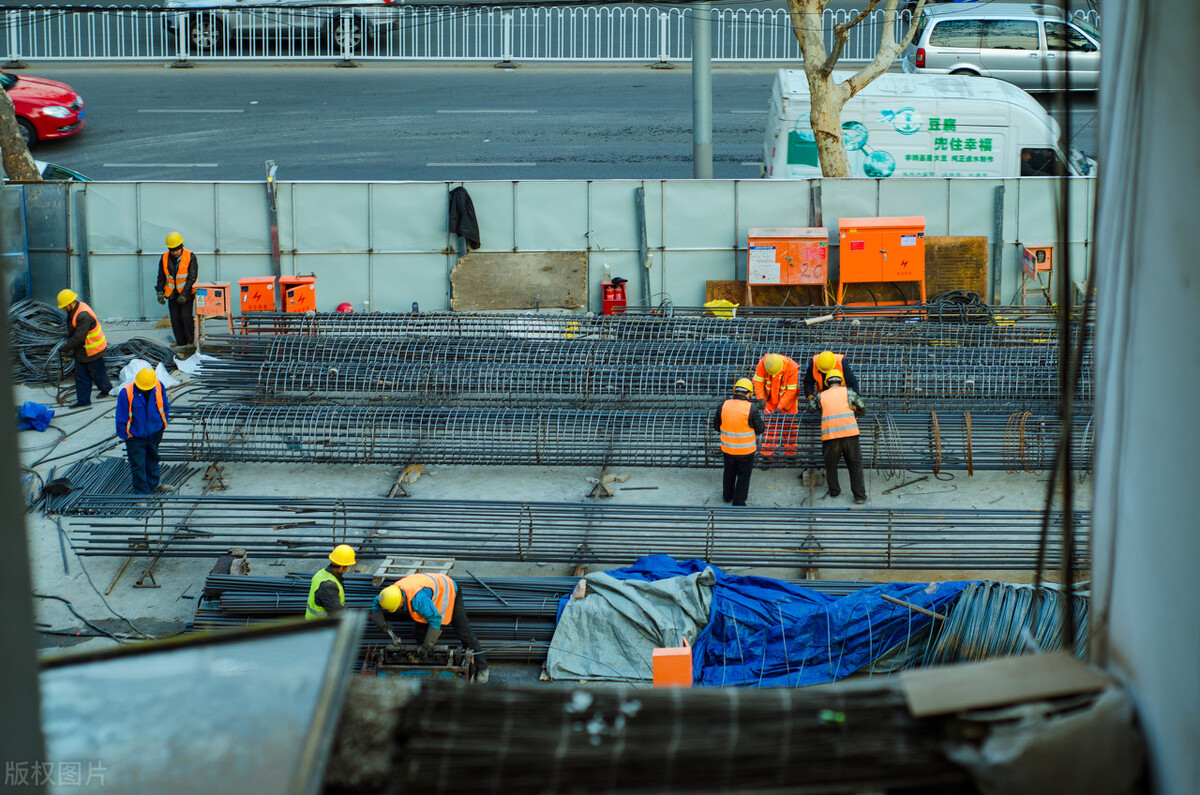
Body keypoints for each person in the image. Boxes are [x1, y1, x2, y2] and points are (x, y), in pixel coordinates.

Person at [371, 573, 490, 683]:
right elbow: (376, 604)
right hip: (429, 592)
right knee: (418, 633)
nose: (397, 610)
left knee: (464, 632)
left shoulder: (419, 600)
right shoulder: (388, 594)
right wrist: (382, 624)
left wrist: (428, 645)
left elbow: (435, 619)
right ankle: (426, 663)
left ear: (402, 599)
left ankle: (482, 669)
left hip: (449, 590)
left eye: (398, 607)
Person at [809, 369, 868, 504]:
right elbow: (862, 406)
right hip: (850, 434)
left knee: (831, 465)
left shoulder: (821, 396)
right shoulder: (849, 393)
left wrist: (822, 407)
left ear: (826, 382)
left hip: (831, 436)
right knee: (855, 465)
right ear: (841, 381)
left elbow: (810, 408)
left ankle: (835, 492)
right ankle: (859, 496)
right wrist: (856, 414)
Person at [115, 367, 170, 494]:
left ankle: (154, 484)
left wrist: (162, 424)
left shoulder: (158, 386)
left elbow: (165, 405)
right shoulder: (126, 393)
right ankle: (142, 494)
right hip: (135, 437)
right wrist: (126, 436)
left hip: (155, 433)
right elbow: (121, 416)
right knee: (138, 465)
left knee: (153, 459)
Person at [713, 378, 766, 507]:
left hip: (728, 449)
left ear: (735, 391)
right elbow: (760, 429)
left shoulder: (723, 405)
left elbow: (716, 426)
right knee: (743, 477)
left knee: (729, 473)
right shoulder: (751, 408)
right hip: (745, 451)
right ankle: (738, 502)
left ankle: (727, 496)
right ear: (749, 394)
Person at [57, 289, 113, 409]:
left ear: (71, 303)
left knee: (97, 373)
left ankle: (107, 389)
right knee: (81, 375)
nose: (63, 309)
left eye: (65, 306)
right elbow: (74, 331)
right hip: (83, 349)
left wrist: (65, 348)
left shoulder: (83, 315)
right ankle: (83, 401)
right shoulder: (74, 310)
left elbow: (79, 337)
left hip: (93, 349)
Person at [752, 353, 800, 457]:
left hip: (788, 403)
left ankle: (791, 453)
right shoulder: (764, 363)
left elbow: (791, 391)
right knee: (769, 428)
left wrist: (780, 406)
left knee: (790, 427)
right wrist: (760, 398)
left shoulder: (792, 367)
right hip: (769, 400)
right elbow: (758, 381)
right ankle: (767, 454)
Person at [156, 231, 198, 348]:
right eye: (172, 250)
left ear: (181, 247)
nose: (175, 252)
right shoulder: (164, 257)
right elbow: (161, 276)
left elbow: (192, 277)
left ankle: (190, 342)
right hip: (172, 294)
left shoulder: (190, 256)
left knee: (186, 317)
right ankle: (180, 342)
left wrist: (184, 294)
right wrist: (159, 292)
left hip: (187, 293)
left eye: (177, 250)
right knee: (175, 319)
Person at [306, 544, 356, 620]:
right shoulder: (328, 586)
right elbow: (337, 612)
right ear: (342, 566)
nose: (348, 569)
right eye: (348, 566)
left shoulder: (321, 573)